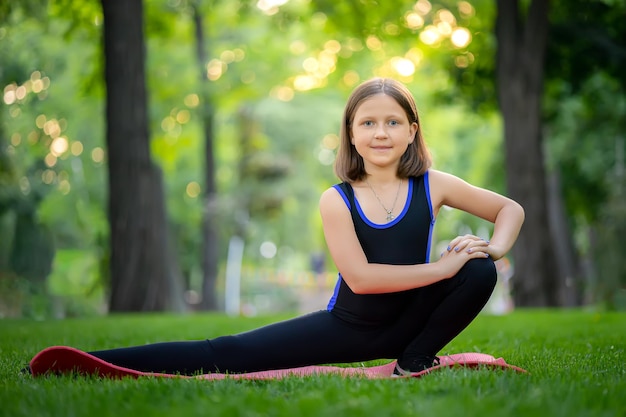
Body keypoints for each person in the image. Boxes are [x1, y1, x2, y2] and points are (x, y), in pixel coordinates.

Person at [84, 78, 525, 376]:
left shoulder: (434, 184)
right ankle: (88, 360)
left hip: (413, 320)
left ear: (412, 132)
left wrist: (493, 249)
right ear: (351, 135)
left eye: (393, 123)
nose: (381, 133)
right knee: (227, 352)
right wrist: (442, 268)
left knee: (480, 269)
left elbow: (510, 210)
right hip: (348, 326)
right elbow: (362, 279)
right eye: (367, 123)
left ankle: (414, 359)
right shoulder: (337, 199)